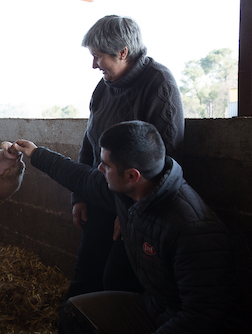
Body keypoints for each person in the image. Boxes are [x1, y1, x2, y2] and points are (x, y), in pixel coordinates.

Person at [11, 121, 243, 333]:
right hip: (153, 306)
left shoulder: (193, 229)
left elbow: (201, 316)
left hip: (185, 322)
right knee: (75, 312)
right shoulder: (130, 193)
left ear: (132, 175)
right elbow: (80, 176)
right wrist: (36, 154)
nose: (100, 169)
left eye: (106, 165)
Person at [69, 14, 185, 308]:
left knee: (117, 278)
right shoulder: (103, 88)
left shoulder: (158, 84)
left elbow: (165, 155)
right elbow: (90, 140)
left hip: (137, 205)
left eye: (99, 57)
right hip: (100, 195)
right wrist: (80, 194)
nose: (94, 65)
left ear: (123, 52)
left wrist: (135, 210)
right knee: (86, 269)